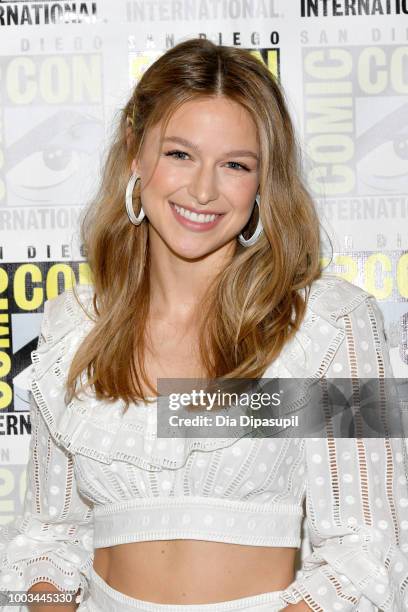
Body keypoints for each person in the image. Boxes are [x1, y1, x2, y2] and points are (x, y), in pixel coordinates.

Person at [0, 38, 407, 612]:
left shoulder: (330, 323)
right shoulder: (77, 326)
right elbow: (48, 538)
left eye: (235, 165)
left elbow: (371, 553)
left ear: (264, 182)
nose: (203, 190)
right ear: (135, 155)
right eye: (180, 154)